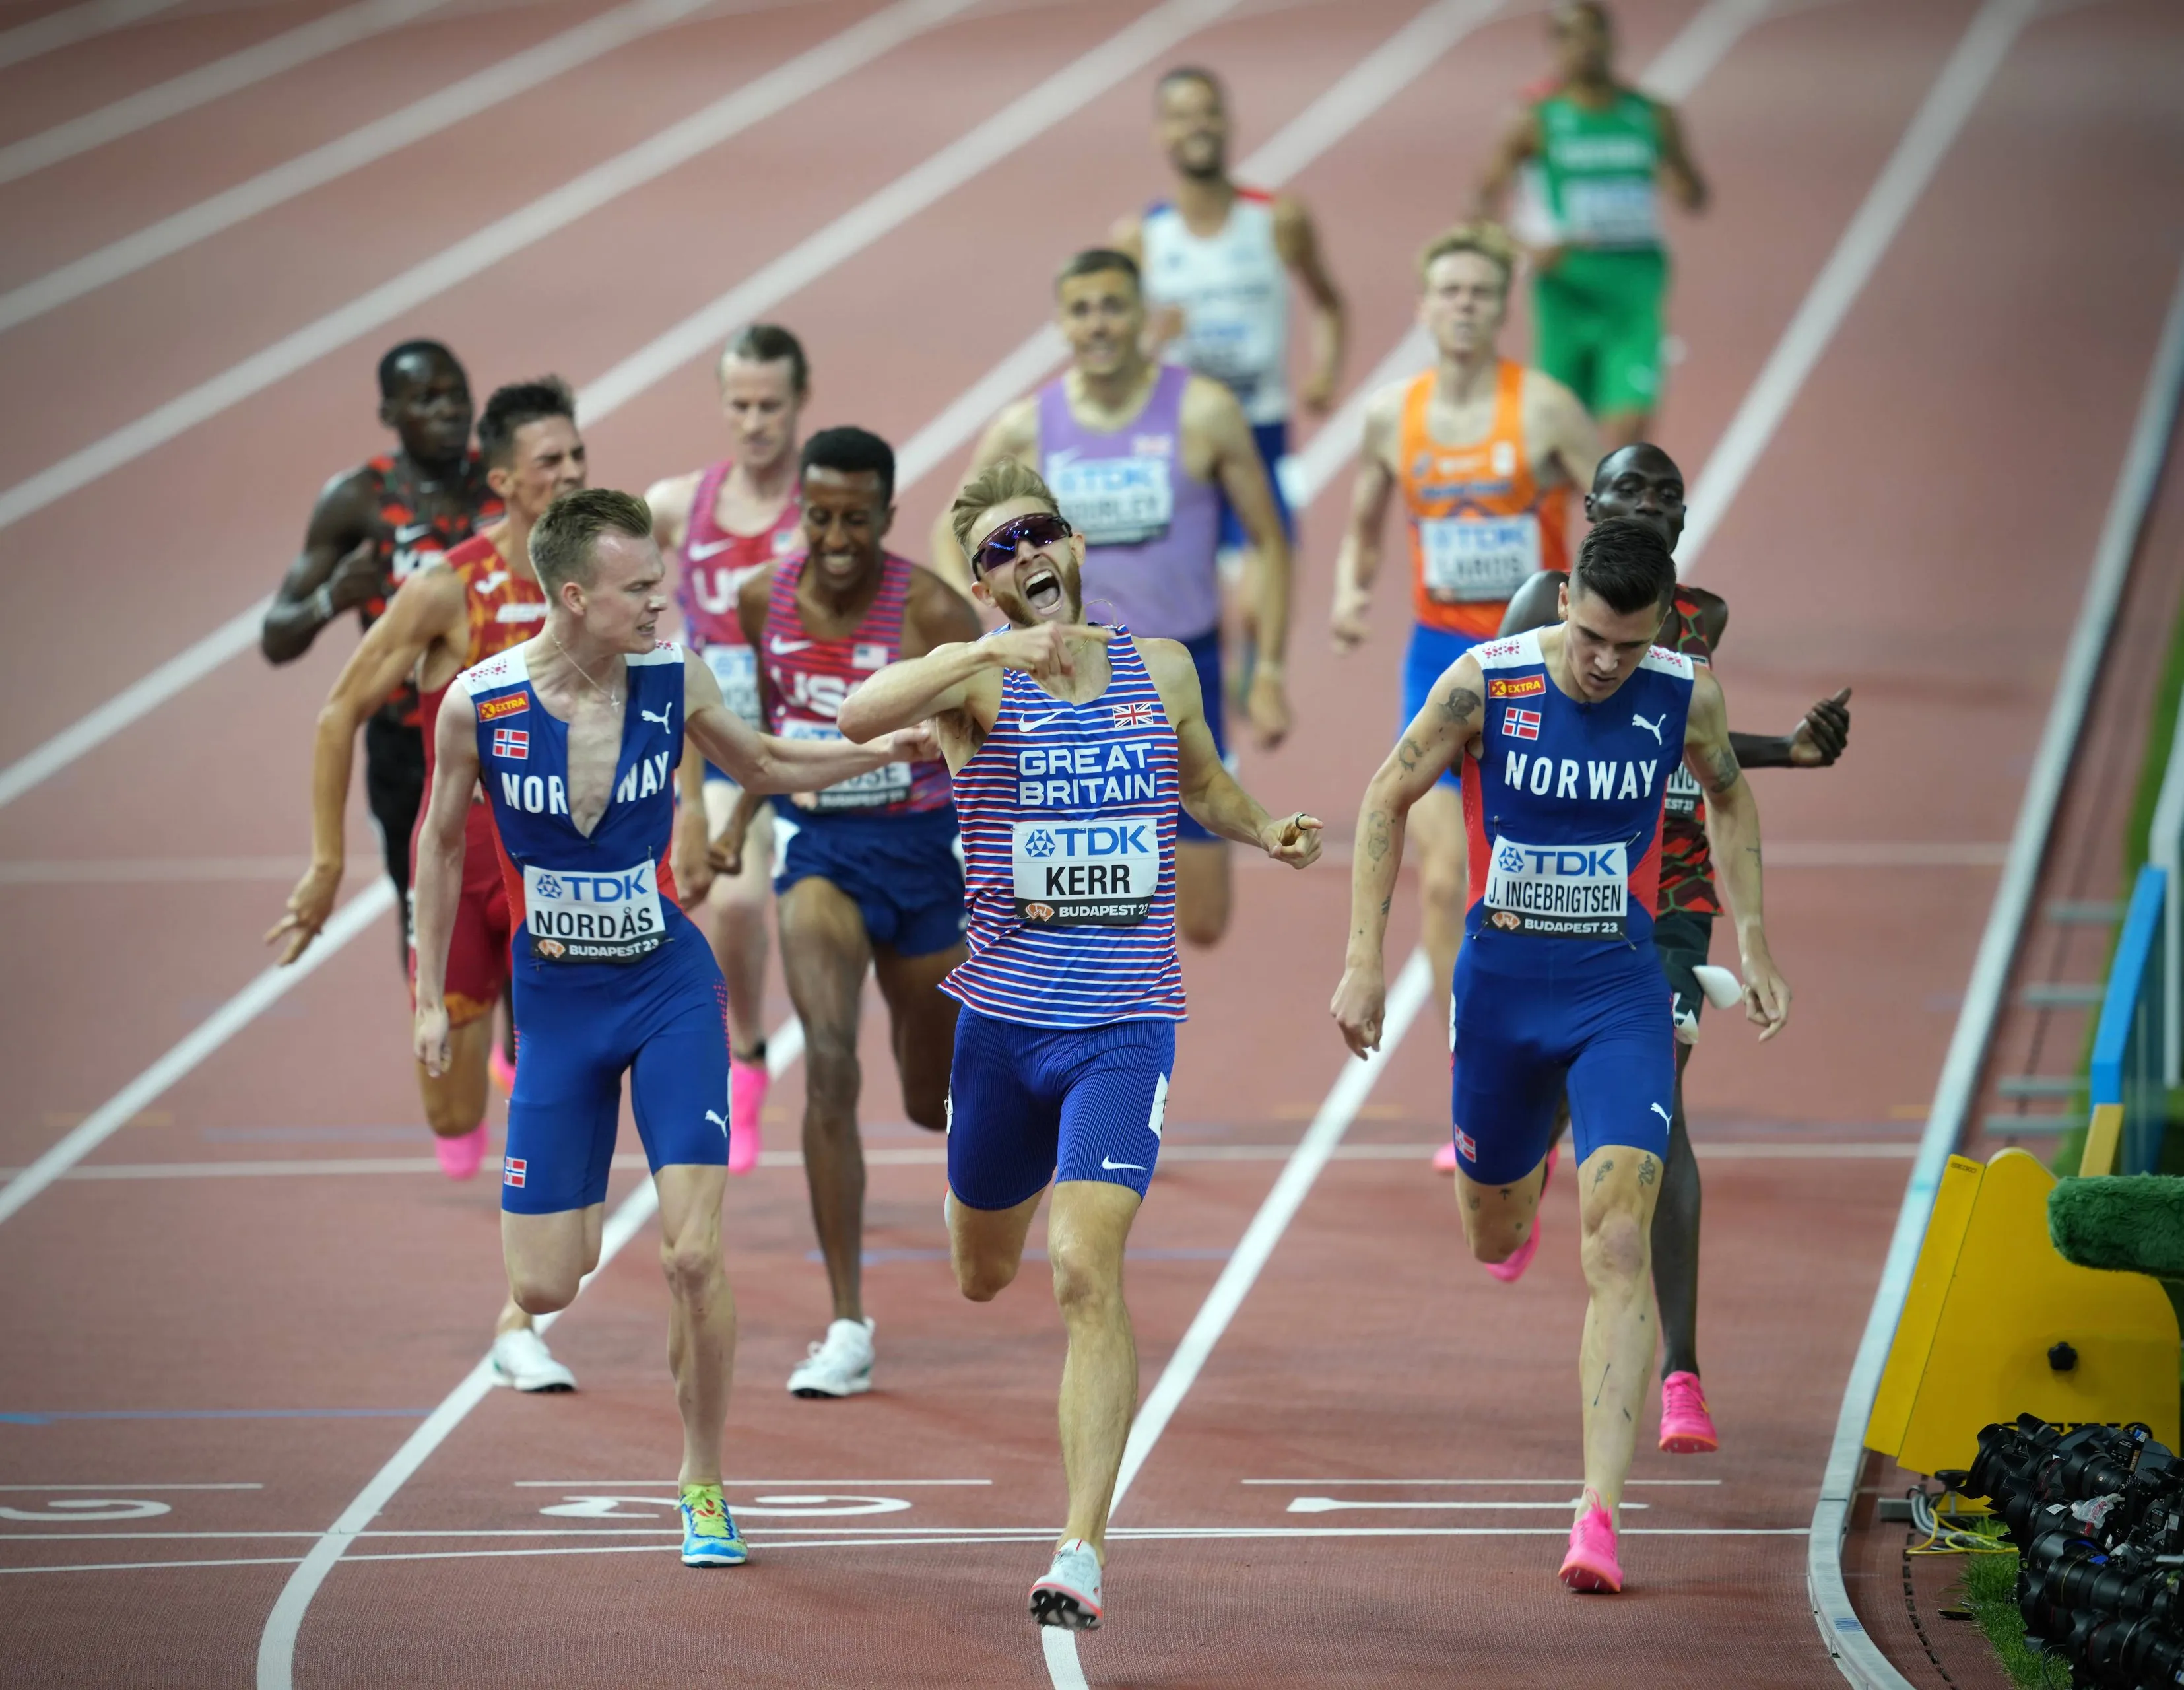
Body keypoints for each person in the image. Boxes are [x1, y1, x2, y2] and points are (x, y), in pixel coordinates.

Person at [838, 459, 1321, 1629]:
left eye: (1037, 534)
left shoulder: (1158, 668)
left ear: (1075, 546)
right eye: (995, 552)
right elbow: (857, 717)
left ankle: (1080, 1547)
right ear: (981, 584)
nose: (1023, 559)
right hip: (1000, 1029)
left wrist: (1265, 828)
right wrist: (979, 653)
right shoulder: (975, 690)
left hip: (1123, 1025)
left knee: (1080, 1266)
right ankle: (985, 1219)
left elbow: (1202, 785)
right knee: (981, 1272)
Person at [411, 487, 934, 1567]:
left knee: (693, 1256)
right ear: (571, 596)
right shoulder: (480, 703)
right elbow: (437, 850)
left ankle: (702, 1480)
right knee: (547, 1282)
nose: (664, 601)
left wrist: (904, 750)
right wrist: (428, 997)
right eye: (640, 588)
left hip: (664, 990)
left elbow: (770, 766)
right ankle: (575, 1206)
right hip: (556, 1011)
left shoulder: (672, 678)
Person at [1331, 517, 1790, 1594]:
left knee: (1616, 1245)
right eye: (1588, 638)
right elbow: (1382, 797)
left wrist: (1755, 939)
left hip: (1614, 993)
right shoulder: (1482, 683)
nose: (1601, 665)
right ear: (1566, 602)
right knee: (1491, 1223)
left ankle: (1596, 1516)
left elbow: (1726, 791)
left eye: (1625, 648)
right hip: (1498, 994)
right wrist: (1362, 962)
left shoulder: (1684, 695)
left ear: (1657, 631)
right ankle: (1514, 1179)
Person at [1484, 444, 1850, 1455]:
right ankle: (1522, 1173)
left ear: (1681, 520)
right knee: (1553, 1081)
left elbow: (1700, 744)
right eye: (1627, 489)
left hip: (1670, 888)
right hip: (1554, 880)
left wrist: (1793, 752)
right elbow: (1480, 725)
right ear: (1590, 508)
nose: (1646, 504)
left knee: (1662, 1116)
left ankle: (1682, 1374)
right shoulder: (1536, 609)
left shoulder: (1705, 621)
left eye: (1664, 493)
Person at [265, 378, 585, 1389]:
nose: (574, 475)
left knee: (553, 1087)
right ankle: (492, 1054)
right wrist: (324, 865)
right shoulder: (450, 587)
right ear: (503, 481)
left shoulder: (606, 574)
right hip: (460, 860)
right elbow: (335, 713)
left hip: (565, 871)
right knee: (453, 1116)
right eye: (553, 463)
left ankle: (515, 1320)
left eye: (580, 457)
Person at [714, 427, 981, 1398]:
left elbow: (992, 747)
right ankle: (845, 1322)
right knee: (826, 1059)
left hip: (924, 866)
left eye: (855, 518)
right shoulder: (760, 603)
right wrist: (737, 819)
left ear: (886, 515)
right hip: (820, 857)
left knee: (931, 1103)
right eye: (818, 515)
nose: (834, 535)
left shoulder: (934, 613)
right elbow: (764, 739)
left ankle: (996, 1164)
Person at [937, 248, 1294, 948]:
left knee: (1203, 917)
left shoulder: (1206, 412)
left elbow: (1269, 541)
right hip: (1064, 674)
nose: (1098, 324)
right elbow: (947, 532)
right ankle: (1103, 1014)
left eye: (1113, 306)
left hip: (1181, 670)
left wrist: (1270, 667)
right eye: (1081, 310)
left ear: (1143, 316)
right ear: (1062, 324)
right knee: (1080, 890)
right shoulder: (1026, 428)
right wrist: (991, 628)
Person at [1329, 222, 1597, 1052]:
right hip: (1442, 661)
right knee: (1444, 883)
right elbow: (1364, 526)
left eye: (1482, 291)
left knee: (1548, 877)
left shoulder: (1547, 408)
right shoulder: (1389, 417)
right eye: (1451, 291)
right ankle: (1473, 1054)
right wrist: (1350, 592)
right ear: (1426, 307)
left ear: (1503, 306)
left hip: (1546, 665)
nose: (1466, 306)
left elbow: (1618, 525)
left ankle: (1573, 1037)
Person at [261, 341, 503, 962]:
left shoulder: (503, 483)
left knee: (520, 912)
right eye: (426, 399)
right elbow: (276, 636)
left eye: (457, 393)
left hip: (506, 734)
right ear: (390, 412)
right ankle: (441, 1041)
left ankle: (515, 1056)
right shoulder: (358, 500)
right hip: (407, 748)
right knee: (427, 914)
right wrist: (330, 601)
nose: (449, 410)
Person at [1110, 64, 1344, 704]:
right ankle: (1200, 708)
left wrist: (1325, 370)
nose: (1198, 125)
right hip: (1181, 442)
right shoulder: (1141, 238)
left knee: (1265, 579)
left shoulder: (1278, 219)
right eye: (1182, 114)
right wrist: (1154, 338)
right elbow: (1110, 352)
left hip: (1259, 428)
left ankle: (1261, 675)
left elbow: (1329, 301)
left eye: (1208, 110)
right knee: (1185, 605)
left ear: (1230, 121)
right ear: (1161, 132)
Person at [647, 325, 811, 1174]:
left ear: (798, 404)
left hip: (808, 739)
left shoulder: (820, 509)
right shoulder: (680, 504)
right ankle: (745, 1053)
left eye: (770, 405)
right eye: (740, 404)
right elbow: (608, 562)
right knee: (739, 903)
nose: (754, 422)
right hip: (718, 745)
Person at [1473, 1, 1708, 450]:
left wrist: (1680, 181)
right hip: (1565, 292)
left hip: (1634, 293)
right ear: (1554, 48)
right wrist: (1524, 246)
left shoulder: (1650, 115)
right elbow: (1478, 205)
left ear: (1612, 39)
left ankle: (1616, 522)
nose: (1583, 46)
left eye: (1592, 33)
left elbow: (1695, 195)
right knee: (1558, 440)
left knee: (1627, 437)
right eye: (1569, 36)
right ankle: (1571, 519)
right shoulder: (1535, 121)